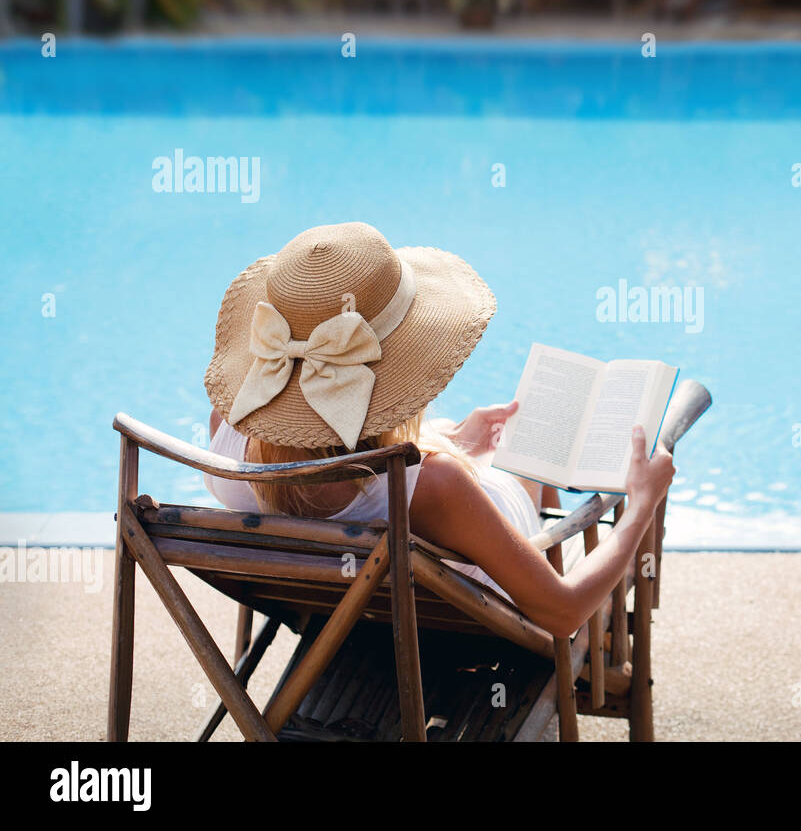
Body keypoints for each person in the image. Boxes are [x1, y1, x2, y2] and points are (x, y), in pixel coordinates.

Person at [202, 222, 674, 639]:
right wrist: (641, 505)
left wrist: (455, 441)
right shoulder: (436, 486)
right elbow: (562, 611)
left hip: (346, 620)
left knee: (497, 444)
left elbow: (352, 470)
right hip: (466, 624)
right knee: (526, 454)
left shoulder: (229, 431)